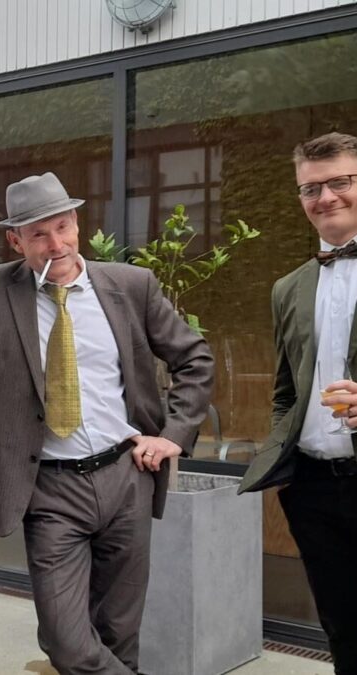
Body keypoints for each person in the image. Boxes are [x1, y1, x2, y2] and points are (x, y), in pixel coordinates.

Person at [0, 172, 213, 674]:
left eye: (63, 227)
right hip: (48, 488)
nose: (56, 245)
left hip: (126, 477)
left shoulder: (131, 285)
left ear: (76, 223)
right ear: (16, 241)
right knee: (67, 643)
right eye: (38, 235)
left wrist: (173, 436)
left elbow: (194, 359)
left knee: (118, 636)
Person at [240, 132, 357, 674]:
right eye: (311, 188)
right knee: (341, 626)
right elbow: (285, 391)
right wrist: (284, 464)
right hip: (312, 488)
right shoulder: (288, 288)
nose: (325, 197)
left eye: (340, 182)